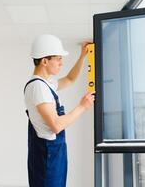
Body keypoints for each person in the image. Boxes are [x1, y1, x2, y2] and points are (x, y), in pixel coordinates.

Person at [24, 34, 95, 187]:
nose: (61, 63)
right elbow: (56, 125)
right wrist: (82, 106)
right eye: (58, 58)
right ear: (44, 61)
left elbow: (69, 79)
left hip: (53, 153)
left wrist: (83, 56)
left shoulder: (46, 84)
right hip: (47, 155)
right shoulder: (38, 87)